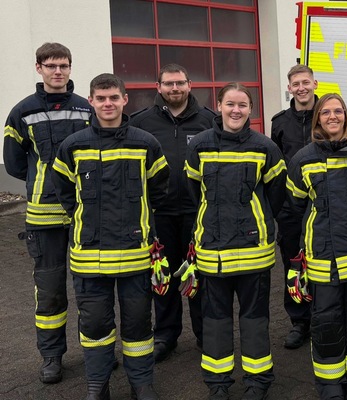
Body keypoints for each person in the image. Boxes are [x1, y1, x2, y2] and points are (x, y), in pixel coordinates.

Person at [52, 73, 169, 400]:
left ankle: (141, 383)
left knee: (138, 325)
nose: (108, 104)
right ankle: (97, 384)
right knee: (94, 327)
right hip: (89, 257)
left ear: (124, 100)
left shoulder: (145, 143)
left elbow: (158, 189)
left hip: (135, 255)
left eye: (113, 98)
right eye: (101, 98)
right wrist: (85, 218)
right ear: (91, 101)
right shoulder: (73, 145)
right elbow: (64, 190)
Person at [184, 83, 285, 400]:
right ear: (219, 105)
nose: (236, 110)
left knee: (255, 320)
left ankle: (258, 381)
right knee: (215, 321)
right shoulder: (200, 145)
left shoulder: (265, 147)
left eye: (242, 104)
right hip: (212, 252)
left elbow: (276, 196)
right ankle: (218, 383)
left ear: (251, 109)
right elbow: (194, 192)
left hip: (254, 252)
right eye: (230, 104)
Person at [286, 93, 347, 400]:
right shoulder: (303, 159)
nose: (333, 116)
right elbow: (295, 205)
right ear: (318, 118)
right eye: (326, 112)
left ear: (346, 115)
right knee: (326, 323)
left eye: (338, 111)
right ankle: (331, 387)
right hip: (323, 258)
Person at [2, 42, 92, 384]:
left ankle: (94, 353)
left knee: (90, 289)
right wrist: (43, 181)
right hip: (43, 216)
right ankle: (52, 357)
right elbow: (14, 163)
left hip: (84, 213)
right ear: (38, 68)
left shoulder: (86, 108)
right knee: (50, 290)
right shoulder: (22, 111)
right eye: (51, 65)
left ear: (70, 68)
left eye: (63, 65)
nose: (58, 71)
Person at [129, 63, 215, 362]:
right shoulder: (140, 123)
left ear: (190, 85)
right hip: (159, 213)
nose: (174, 88)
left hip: (197, 213)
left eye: (180, 83)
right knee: (162, 275)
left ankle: (206, 334)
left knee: (198, 274)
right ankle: (166, 335)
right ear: (159, 87)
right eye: (168, 83)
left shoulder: (209, 121)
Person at [271, 64, 317, 349]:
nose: (301, 88)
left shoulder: (328, 114)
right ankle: (300, 322)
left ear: (314, 84)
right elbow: (276, 166)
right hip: (290, 208)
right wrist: (279, 207)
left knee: (323, 262)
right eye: (296, 84)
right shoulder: (279, 122)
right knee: (293, 264)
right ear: (289, 88)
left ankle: (324, 317)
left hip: (322, 205)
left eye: (305, 82)